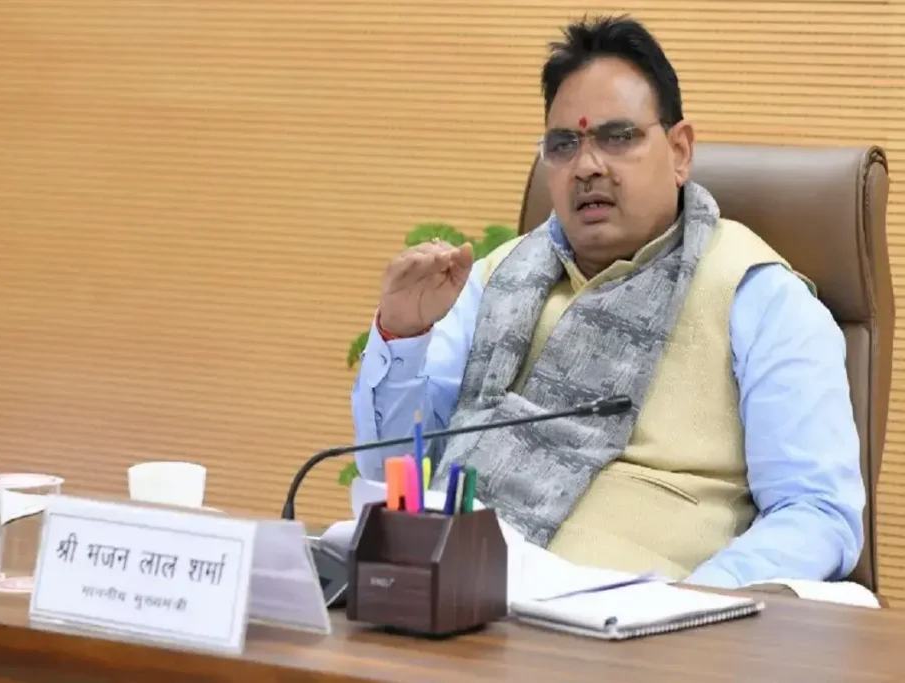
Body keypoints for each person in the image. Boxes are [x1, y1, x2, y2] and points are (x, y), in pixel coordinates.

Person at [350, 15, 865, 589]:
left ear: (680, 151)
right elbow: (392, 472)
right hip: (456, 592)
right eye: (563, 145)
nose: (588, 166)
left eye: (618, 137)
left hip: (643, 621)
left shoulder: (759, 297)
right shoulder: (493, 279)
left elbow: (816, 513)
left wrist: (694, 602)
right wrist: (403, 337)